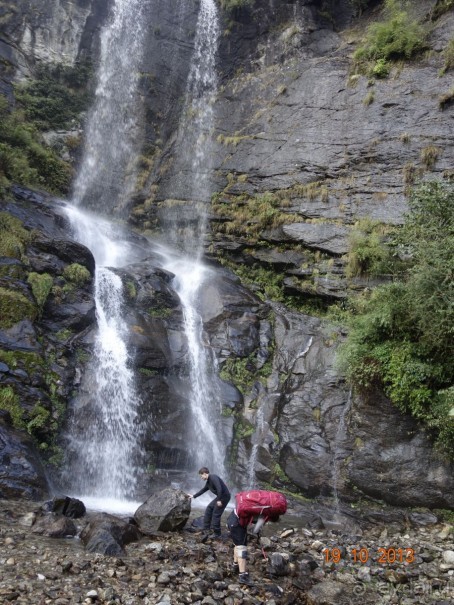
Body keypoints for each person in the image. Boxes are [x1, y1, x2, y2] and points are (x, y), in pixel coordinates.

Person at [188, 467, 230, 538]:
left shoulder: (213, 477)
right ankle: (206, 529)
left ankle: (217, 534)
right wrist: (193, 496)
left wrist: (219, 500)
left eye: (201, 476)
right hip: (220, 497)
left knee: (215, 514)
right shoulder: (208, 482)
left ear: (204, 474)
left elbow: (219, 488)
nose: (201, 478)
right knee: (209, 508)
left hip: (224, 498)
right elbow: (203, 490)